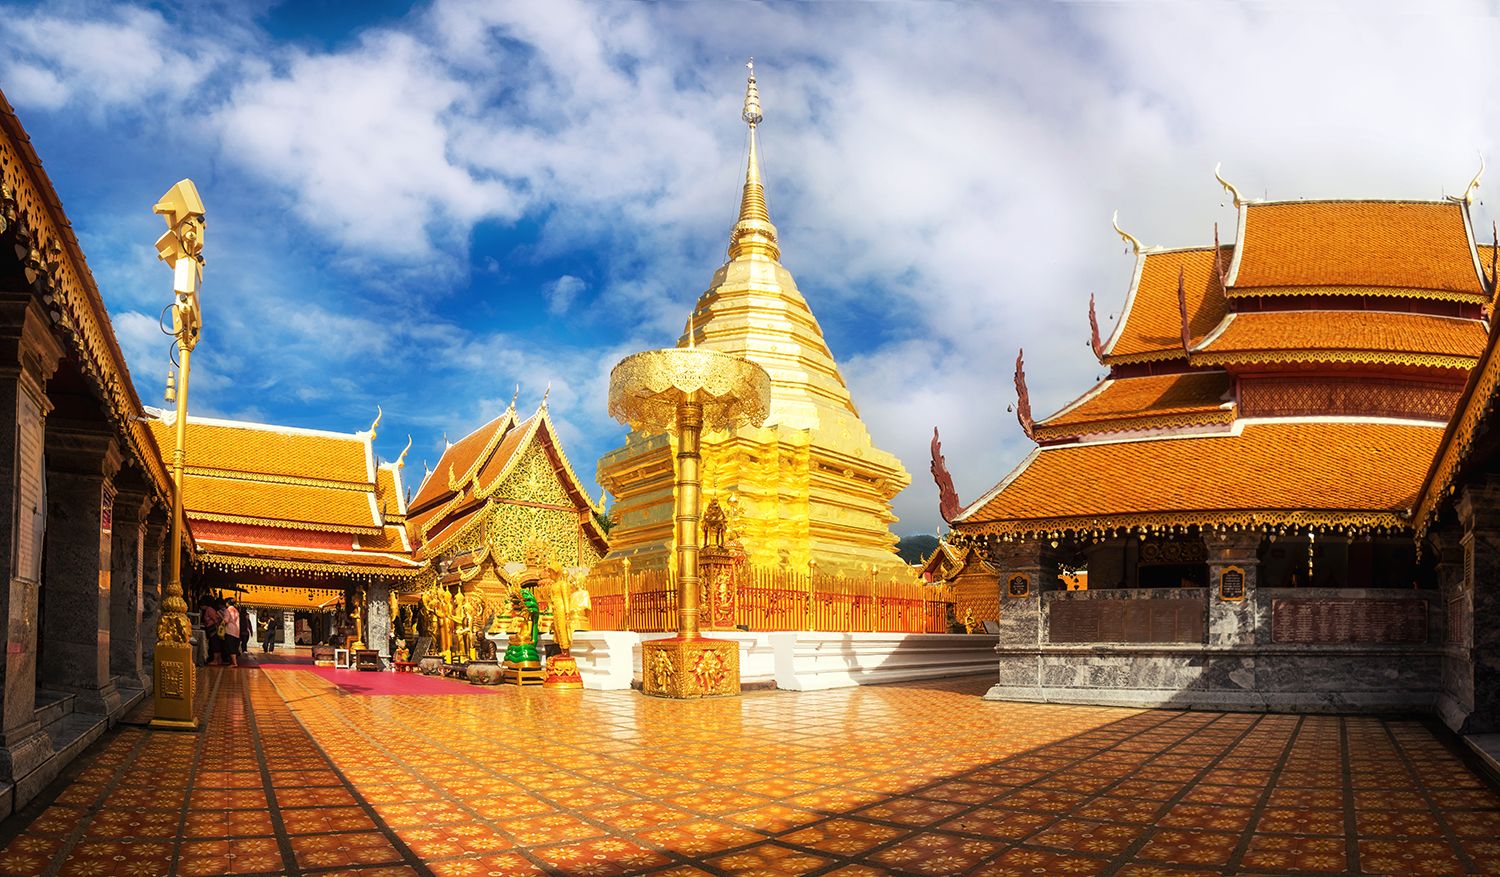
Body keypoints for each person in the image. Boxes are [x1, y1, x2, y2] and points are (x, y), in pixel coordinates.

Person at [202, 597, 224, 667]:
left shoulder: (209, 609)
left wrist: (217, 627)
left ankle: (216, 660)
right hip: (212, 629)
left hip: (213, 629)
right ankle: (219, 659)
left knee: (215, 644)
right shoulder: (210, 609)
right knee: (216, 644)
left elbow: (215, 619)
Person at [221, 598, 241, 668]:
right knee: (234, 647)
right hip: (237, 631)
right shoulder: (236, 610)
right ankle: (234, 662)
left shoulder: (228, 610)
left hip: (229, 630)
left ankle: (234, 663)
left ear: (227, 603)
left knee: (230, 647)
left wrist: (221, 622)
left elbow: (226, 620)